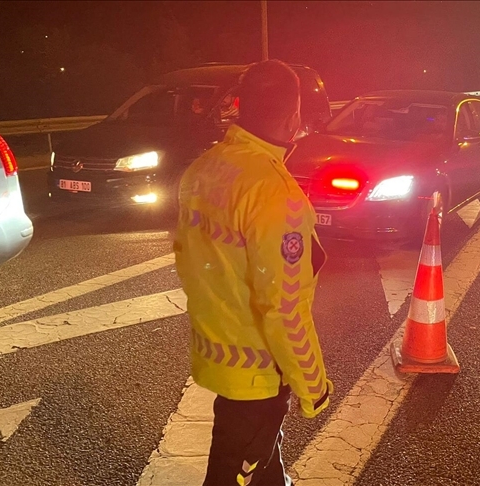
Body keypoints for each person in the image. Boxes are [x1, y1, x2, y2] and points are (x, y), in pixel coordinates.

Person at [174, 60, 332, 486]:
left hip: (219, 351)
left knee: (260, 460)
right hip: (259, 372)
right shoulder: (276, 195)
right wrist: (313, 384)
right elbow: (284, 307)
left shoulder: (205, 168)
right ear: (293, 114)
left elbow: (186, 259)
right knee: (233, 470)